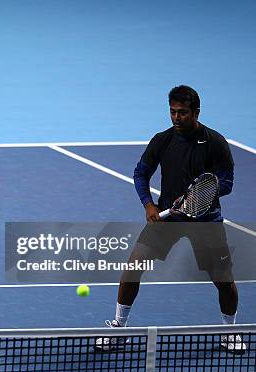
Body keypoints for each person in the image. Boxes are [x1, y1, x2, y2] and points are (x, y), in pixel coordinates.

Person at [95, 85, 246, 354]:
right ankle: (119, 328)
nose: (176, 118)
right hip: (166, 220)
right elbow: (141, 173)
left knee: (224, 281)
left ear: (196, 112)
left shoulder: (215, 142)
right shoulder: (162, 140)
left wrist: (198, 198)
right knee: (133, 268)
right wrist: (148, 204)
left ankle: (229, 332)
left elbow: (227, 182)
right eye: (173, 112)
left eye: (183, 113)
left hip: (206, 222)